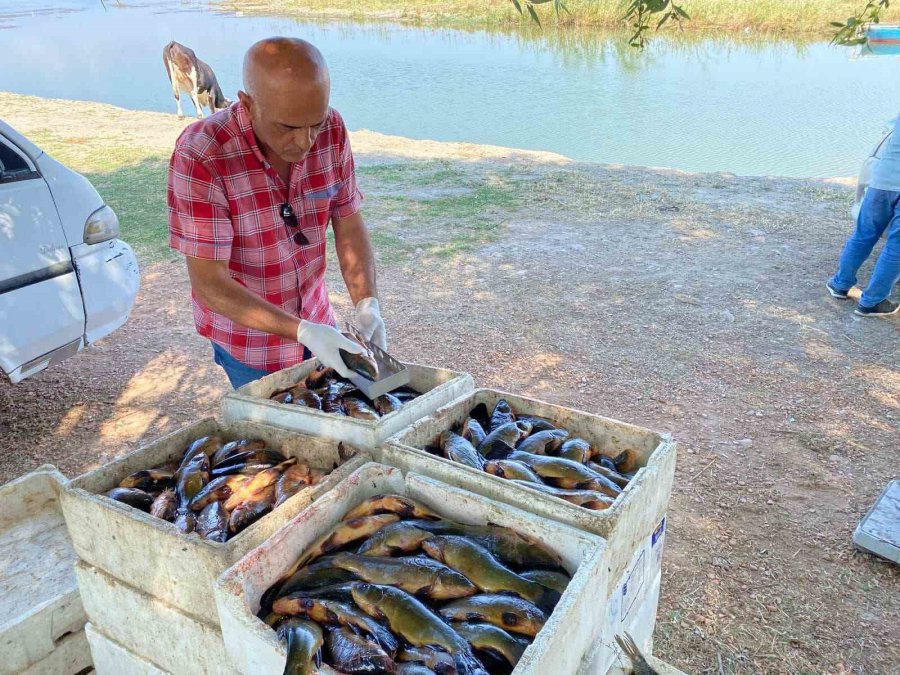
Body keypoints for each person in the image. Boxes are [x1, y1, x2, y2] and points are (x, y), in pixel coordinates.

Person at [167, 37, 386, 388]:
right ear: (247, 103)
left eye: (315, 123)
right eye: (287, 127)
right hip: (250, 345)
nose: (305, 141)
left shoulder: (331, 130)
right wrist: (300, 331)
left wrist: (367, 303)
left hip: (318, 322)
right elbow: (209, 283)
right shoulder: (202, 154)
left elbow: (348, 221)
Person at [827, 127, 900, 317]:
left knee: (863, 235)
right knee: (896, 248)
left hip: (882, 181)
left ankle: (840, 284)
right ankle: (872, 301)